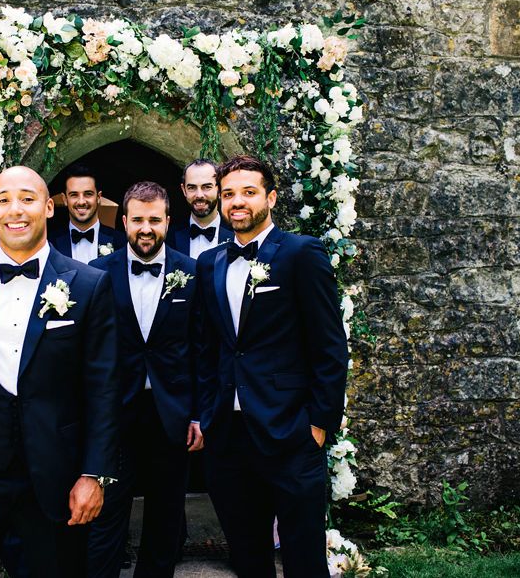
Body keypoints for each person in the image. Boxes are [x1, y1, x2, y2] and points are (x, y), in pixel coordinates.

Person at [0, 166, 120, 578]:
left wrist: (94, 474)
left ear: (49, 207)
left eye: (28, 198)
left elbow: (102, 388)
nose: (16, 209)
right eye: (5, 199)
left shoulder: (89, 284)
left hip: (55, 478)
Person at [195, 155, 349, 578]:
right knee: (246, 554)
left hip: (290, 432)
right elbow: (209, 348)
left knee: (303, 557)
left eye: (248, 192)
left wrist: (318, 424)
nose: (237, 202)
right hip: (229, 435)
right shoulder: (210, 263)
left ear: (271, 197)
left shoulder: (302, 253)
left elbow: (330, 346)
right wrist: (209, 412)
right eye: (228, 194)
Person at [88, 181, 202, 578]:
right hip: (115, 413)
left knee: (166, 514)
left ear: (169, 221)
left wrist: (198, 415)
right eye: (138, 219)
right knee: (107, 512)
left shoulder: (191, 273)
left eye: (155, 219)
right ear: (124, 221)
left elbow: (200, 348)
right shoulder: (97, 275)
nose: (146, 228)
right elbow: (90, 353)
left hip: (170, 413)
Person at [49, 163, 124, 262]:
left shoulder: (121, 241)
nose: (81, 202)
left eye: (88, 194)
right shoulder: (50, 243)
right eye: (74, 195)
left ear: (98, 197)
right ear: (65, 199)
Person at [166, 159, 232, 258]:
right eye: (192, 188)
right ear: (184, 190)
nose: (199, 195)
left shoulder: (236, 234)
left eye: (206, 187)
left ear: (219, 189)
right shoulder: (169, 236)